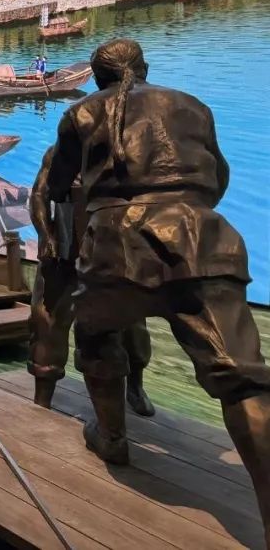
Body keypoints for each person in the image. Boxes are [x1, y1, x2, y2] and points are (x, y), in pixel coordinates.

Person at [45, 38, 270, 540]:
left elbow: (59, 184)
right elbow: (219, 176)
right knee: (242, 379)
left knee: (96, 335)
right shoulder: (191, 105)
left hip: (114, 244)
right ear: (144, 67)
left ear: (96, 76)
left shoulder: (81, 112)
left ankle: (112, 437)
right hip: (201, 239)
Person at [28, 145, 154, 416]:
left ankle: (135, 385)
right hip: (64, 251)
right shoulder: (59, 153)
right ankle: (42, 397)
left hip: (112, 256)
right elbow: (39, 195)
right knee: (46, 321)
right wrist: (46, 235)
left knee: (132, 326)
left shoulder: (126, 155)